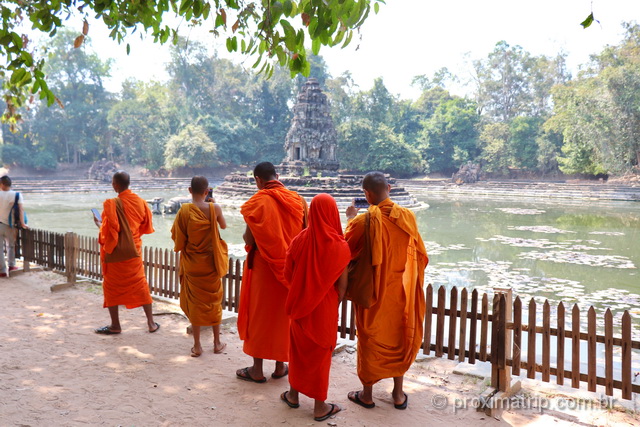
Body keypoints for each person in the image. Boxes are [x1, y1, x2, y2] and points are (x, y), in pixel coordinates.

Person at [344, 171, 428, 410]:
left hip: (374, 292)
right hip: (401, 290)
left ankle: (367, 394)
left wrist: (350, 218)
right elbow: (420, 254)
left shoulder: (363, 221)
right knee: (400, 335)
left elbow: (345, 251)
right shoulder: (407, 216)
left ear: (366, 194)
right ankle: (398, 394)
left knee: (370, 337)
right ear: (389, 188)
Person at [281, 193, 350, 421]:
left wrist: (304, 291)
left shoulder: (299, 239)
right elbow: (342, 286)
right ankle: (320, 407)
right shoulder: (340, 246)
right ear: (333, 213)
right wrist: (328, 299)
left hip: (299, 305)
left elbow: (288, 274)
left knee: (298, 353)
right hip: (324, 308)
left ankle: (293, 395)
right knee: (320, 357)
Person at [236, 161, 306, 383]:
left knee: (259, 315)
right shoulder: (298, 200)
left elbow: (249, 239)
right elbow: (305, 234)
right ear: (277, 176)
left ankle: (257, 369)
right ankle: (279, 366)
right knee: (282, 316)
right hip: (289, 269)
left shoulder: (258, 202)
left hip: (264, 269)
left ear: (258, 180)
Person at [94, 171, 159, 335]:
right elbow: (146, 225)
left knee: (111, 286)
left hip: (115, 253)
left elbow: (108, 232)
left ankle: (115, 325)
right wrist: (131, 235)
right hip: (133, 250)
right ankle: (151, 323)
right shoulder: (140, 202)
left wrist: (99, 224)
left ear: (115, 184)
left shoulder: (111, 204)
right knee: (140, 283)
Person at [171, 176, 228, 357]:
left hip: (192, 263)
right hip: (210, 263)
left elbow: (177, 238)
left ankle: (197, 346)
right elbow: (224, 227)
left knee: (195, 303)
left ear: (189, 190)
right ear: (206, 191)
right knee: (214, 301)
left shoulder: (184, 211)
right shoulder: (215, 208)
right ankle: (217, 343)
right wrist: (213, 207)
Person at [0, 175, 27, 277]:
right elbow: (21, 210)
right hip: (11, 226)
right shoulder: (17, 195)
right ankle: (11, 266)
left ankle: (2, 271)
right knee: (11, 246)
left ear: (2, 184)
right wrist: (23, 224)